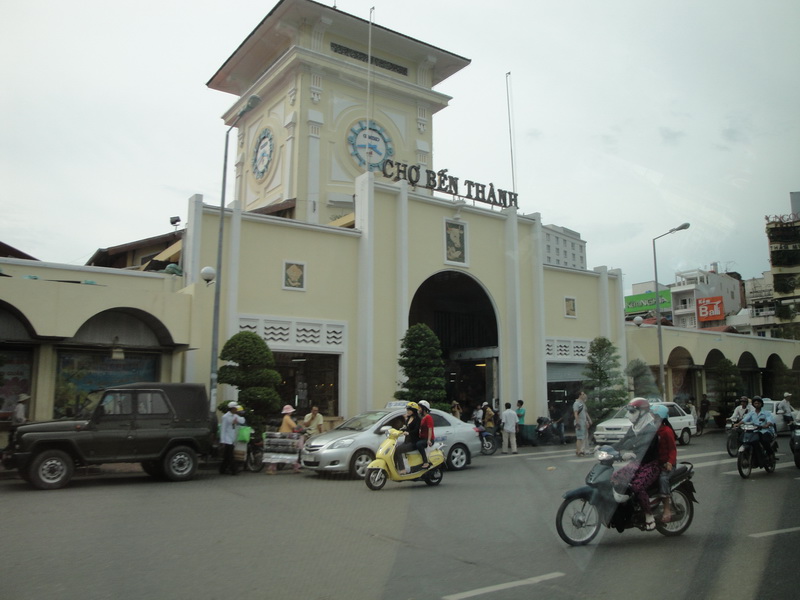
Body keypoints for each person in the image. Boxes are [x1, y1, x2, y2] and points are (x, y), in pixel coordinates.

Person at [611, 398, 660, 531]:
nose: (629, 415)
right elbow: (623, 442)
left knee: (637, 486)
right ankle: (628, 509)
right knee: (615, 477)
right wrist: (605, 448)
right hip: (637, 463)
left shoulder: (650, 429)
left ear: (643, 413)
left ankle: (649, 515)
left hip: (650, 465)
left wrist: (629, 452)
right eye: (629, 411)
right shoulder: (634, 429)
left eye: (632, 411)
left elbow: (645, 449)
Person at [651, 404, 677, 523]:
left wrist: (670, 462)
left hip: (666, 465)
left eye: (655, 416)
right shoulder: (651, 430)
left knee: (663, 479)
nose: (653, 417)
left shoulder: (666, 431)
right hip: (654, 464)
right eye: (652, 415)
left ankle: (667, 508)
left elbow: (672, 449)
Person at [741, 396, 776, 467]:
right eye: (755, 403)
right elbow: (744, 420)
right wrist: (737, 424)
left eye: (758, 403)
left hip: (765, 431)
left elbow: (770, 421)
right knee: (743, 438)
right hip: (754, 431)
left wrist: (766, 425)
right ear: (753, 404)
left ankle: (770, 454)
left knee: (764, 441)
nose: (757, 404)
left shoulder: (766, 413)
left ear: (761, 404)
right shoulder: (751, 413)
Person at [269, 404, 302, 474]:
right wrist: (300, 428)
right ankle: (272, 468)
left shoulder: (285, 417)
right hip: (285, 437)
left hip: (284, 436)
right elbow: (294, 426)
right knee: (287, 452)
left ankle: (295, 467)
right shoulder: (287, 418)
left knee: (289, 452)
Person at [219, 401, 246, 475]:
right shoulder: (225, 417)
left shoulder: (235, 416)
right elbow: (223, 429)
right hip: (227, 439)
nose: (236, 409)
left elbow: (243, 421)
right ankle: (234, 470)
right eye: (235, 408)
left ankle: (222, 470)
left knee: (227, 456)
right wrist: (222, 441)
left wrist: (239, 416)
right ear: (232, 408)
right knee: (230, 456)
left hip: (232, 438)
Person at [395, 402, 422, 474]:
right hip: (407, 441)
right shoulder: (408, 419)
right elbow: (406, 428)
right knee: (394, 449)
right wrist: (400, 431)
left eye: (409, 410)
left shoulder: (417, 419)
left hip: (413, 442)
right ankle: (395, 468)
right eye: (407, 410)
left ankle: (402, 469)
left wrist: (408, 433)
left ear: (414, 410)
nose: (408, 411)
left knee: (398, 450)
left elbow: (416, 430)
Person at [416, 400, 435, 468]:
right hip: (423, 437)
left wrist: (429, 440)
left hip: (428, 439)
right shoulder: (422, 417)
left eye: (420, 408)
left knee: (419, 444)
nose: (418, 409)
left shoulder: (428, 417)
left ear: (424, 408)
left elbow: (430, 429)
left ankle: (426, 462)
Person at [572, 391, 592, 456]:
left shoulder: (582, 403)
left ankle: (581, 450)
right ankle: (578, 451)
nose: (584, 395)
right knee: (579, 437)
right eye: (583, 394)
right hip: (579, 421)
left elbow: (585, 412)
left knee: (584, 437)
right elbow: (576, 413)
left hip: (584, 421)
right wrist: (577, 423)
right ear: (579, 395)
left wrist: (588, 420)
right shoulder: (576, 403)